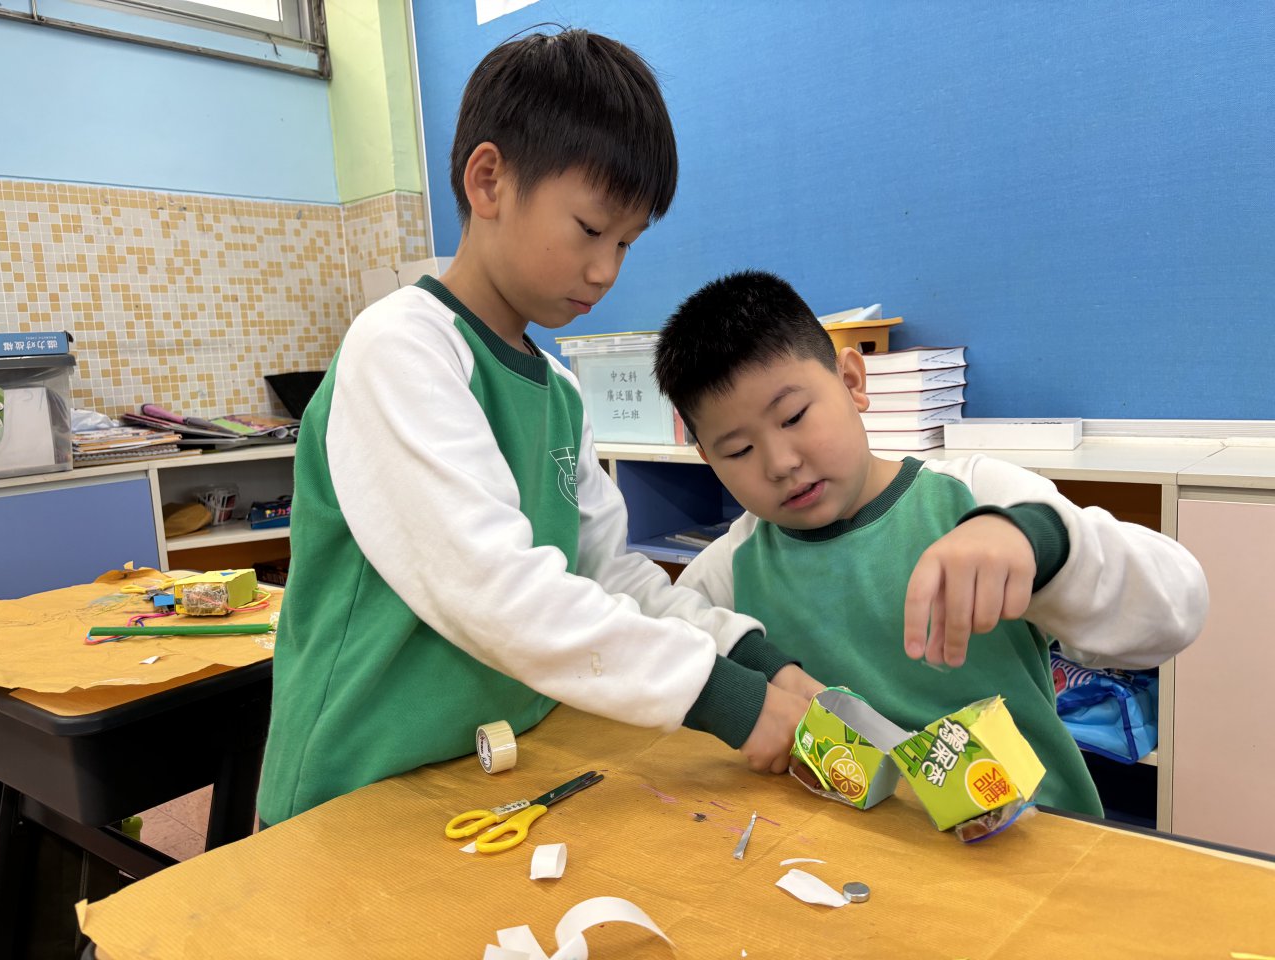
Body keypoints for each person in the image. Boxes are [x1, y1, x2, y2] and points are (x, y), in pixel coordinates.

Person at [256, 32, 821, 825]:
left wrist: (747, 655)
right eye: (590, 229)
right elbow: (491, 588)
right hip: (359, 788)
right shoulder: (401, 346)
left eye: (626, 243)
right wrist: (720, 697)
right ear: (489, 180)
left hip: (493, 776)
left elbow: (608, 576)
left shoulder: (557, 389)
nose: (606, 270)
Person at [653, 270, 1208, 814]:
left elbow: (1176, 612)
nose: (780, 463)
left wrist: (1041, 543)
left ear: (852, 381)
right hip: (848, 848)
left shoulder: (977, 498)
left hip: (1032, 835)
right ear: (707, 458)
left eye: (794, 416)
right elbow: (650, 646)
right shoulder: (730, 567)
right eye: (738, 451)